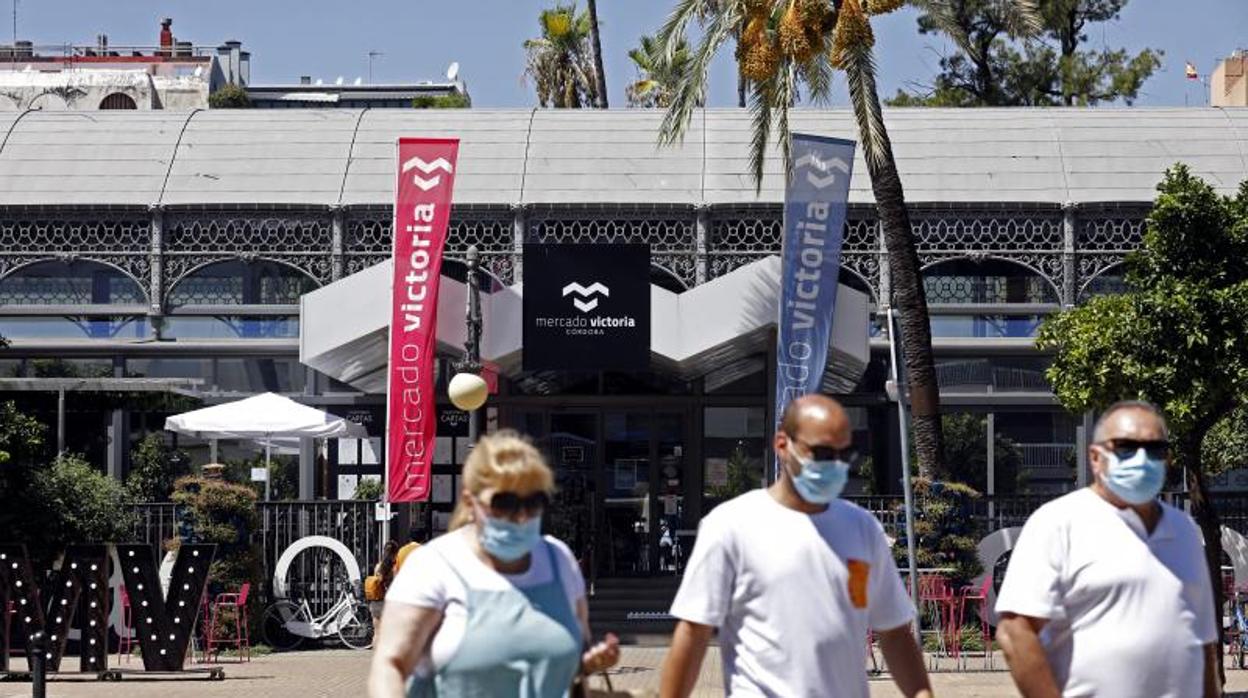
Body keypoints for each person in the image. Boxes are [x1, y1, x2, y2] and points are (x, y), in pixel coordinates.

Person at [660, 394, 932, 698]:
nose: (835, 465)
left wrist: (922, 693)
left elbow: (893, 631)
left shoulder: (863, 528)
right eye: (822, 453)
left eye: (845, 454)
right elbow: (693, 633)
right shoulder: (731, 526)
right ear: (782, 446)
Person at [368, 431, 620, 698]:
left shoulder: (560, 560)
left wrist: (587, 662)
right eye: (504, 502)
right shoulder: (433, 566)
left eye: (534, 502)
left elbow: (569, 654)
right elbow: (389, 665)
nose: (521, 515)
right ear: (470, 500)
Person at [995, 400, 1220, 697]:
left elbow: (1203, 643)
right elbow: (1015, 633)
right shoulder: (1058, 523)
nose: (1141, 459)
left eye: (1155, 450)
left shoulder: (1185, 530)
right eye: (1125, 447)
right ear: (1095, 457)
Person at [365, 540, 401, 632]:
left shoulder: (378, 566)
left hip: (375, 602)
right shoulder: (394, 569)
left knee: (377, 634)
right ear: (395, 553)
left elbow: (375, 584)